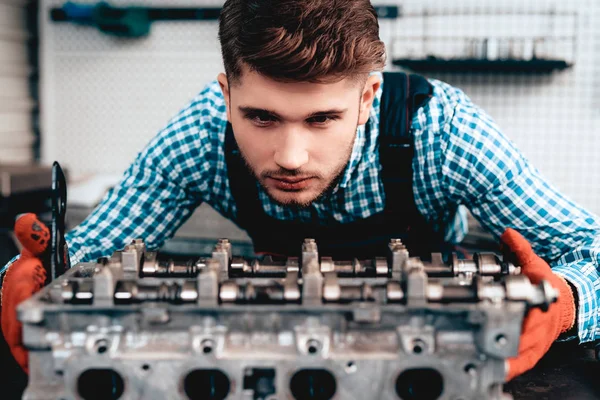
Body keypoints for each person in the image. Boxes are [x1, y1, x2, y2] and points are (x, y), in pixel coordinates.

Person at [2, 0, 599, 382]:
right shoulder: (197, 134)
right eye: (261, 117)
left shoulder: (443, 131)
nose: (289, 157)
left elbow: (589, 251)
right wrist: (20, 277)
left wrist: (568, 302)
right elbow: (79, 256)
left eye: (320, 119)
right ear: (227, 94)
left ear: (367, 99)